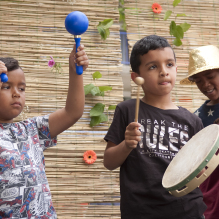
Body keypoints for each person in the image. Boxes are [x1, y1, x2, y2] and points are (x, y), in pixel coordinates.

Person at [103, 35, 206, 219]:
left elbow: (199, 169)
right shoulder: (127, 110)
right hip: (141, 211)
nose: (163, 72)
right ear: (136, 77)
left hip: (188, 210)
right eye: (153, 66)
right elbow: (109, 162)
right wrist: (126, 145)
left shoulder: (192, 120)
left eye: (169, 64)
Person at [0, 44, 88, 218]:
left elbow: (73, 112)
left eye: (22, 88)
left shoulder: (32, 130)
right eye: (6, 86)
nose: (17, 93)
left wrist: (74, 71)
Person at [180, 45, 219, 219]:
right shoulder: (197, 118)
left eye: (210, 76)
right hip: (211, 191)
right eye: (198, 80)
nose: (205, 84)